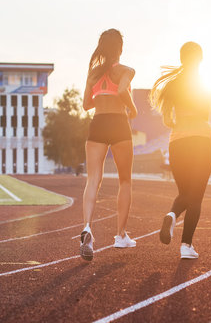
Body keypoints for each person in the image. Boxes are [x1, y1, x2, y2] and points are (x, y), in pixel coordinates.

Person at [151, 42, 211, 259]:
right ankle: (186, 246)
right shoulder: (210, 84)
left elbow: (167, 120)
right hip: (202, 139)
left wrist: (181, 126)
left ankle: (172, 214)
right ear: (200, 59)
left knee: (185, 193)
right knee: (196, 197)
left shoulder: (172, 85)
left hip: (178, 142)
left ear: (181, 58)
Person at [79, 28, 138, 261]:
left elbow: (85, 104)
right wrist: (132, 108)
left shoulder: (92, 74)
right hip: (118, 123)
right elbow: (122, 90)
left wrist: (102, 94)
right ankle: (120, 235)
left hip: (98, 123)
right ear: (120, 49)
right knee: (125, 180)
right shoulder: (127, 70)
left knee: (93, 179)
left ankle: (87, 227)